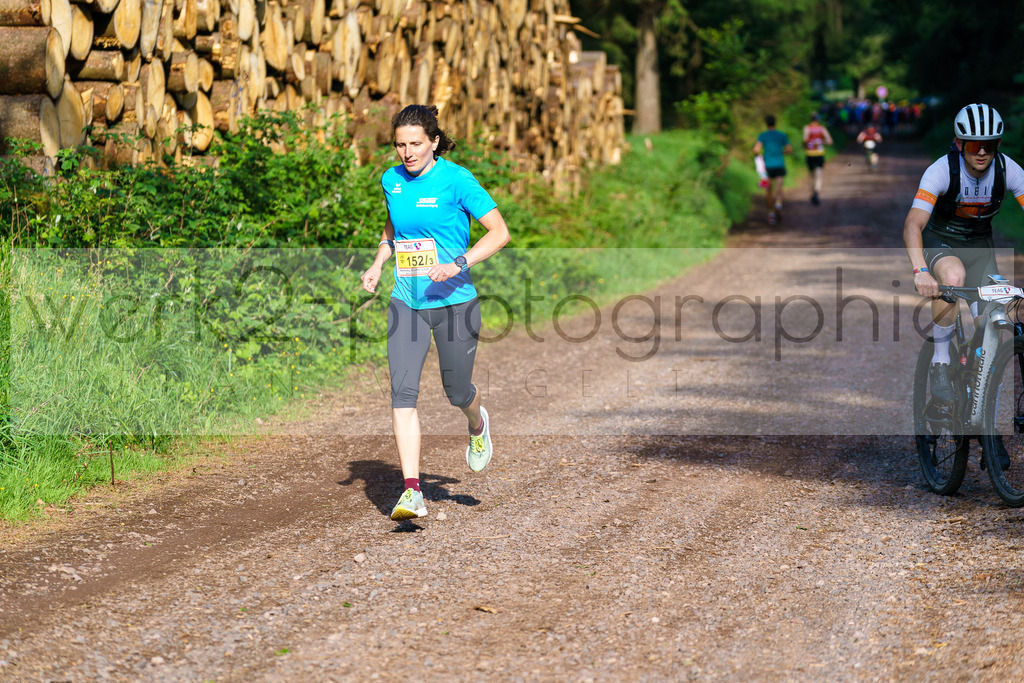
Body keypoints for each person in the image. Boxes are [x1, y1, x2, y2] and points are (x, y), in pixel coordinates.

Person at [360, 104, 511, 521]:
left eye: (415, 144)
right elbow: (393, 229)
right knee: (402, 394)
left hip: (455, 302)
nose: (406, 153)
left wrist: (459, 263)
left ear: (434, 143)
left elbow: (500, 232)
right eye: (400, 145)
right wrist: (377, 263)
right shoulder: (391, 180)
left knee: (456, 391)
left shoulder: (457, 180)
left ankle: (477, 423)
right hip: (406, 300)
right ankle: (412, 491)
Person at [904, 103, 1024, 469]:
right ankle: (941, 361)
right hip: (943, 245)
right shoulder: (941, 170)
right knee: (952, 281)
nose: (983, 151)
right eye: (974, 145)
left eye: (990, 143)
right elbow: (913, 224)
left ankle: (984, 422)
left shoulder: (1010, 170)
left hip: (981, 250)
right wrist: (920, 270)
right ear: (960, 143)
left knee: (998, 321)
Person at [753, 114, 793, 225]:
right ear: (775, 123)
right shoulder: (781, 135)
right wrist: (781, 152)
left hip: (767, 167)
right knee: (779, 188)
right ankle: (778, 203)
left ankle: (771, 214)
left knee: (768, 191)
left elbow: (756, 150)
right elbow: (789, 149)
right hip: (779, 164)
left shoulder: (763, 136)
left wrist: (761, 157)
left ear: (766, 124)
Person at [802, 113, 834, 204]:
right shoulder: (822, 129)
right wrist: (821, 142)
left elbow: (805, 140)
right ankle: (816, 192)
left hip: (810, 154)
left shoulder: (807, 128)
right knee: (819, 174)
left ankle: (812, 193)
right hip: (819, 154)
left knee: (811, 174)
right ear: (818, 120)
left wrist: (807, 145)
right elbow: (830, 141)